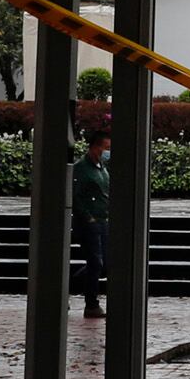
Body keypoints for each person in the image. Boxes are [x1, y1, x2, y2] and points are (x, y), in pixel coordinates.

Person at [72, 131, 111, 320]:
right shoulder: (82, 168)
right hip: (90, 222)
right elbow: (76, 196)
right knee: (95, 262)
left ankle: (69, 285)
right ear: (95, 147)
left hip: (103, 220)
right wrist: (88, 218)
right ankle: (91, 304)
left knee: (103, 264)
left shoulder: (101, 167)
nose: (107, 152)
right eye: (106, 148)